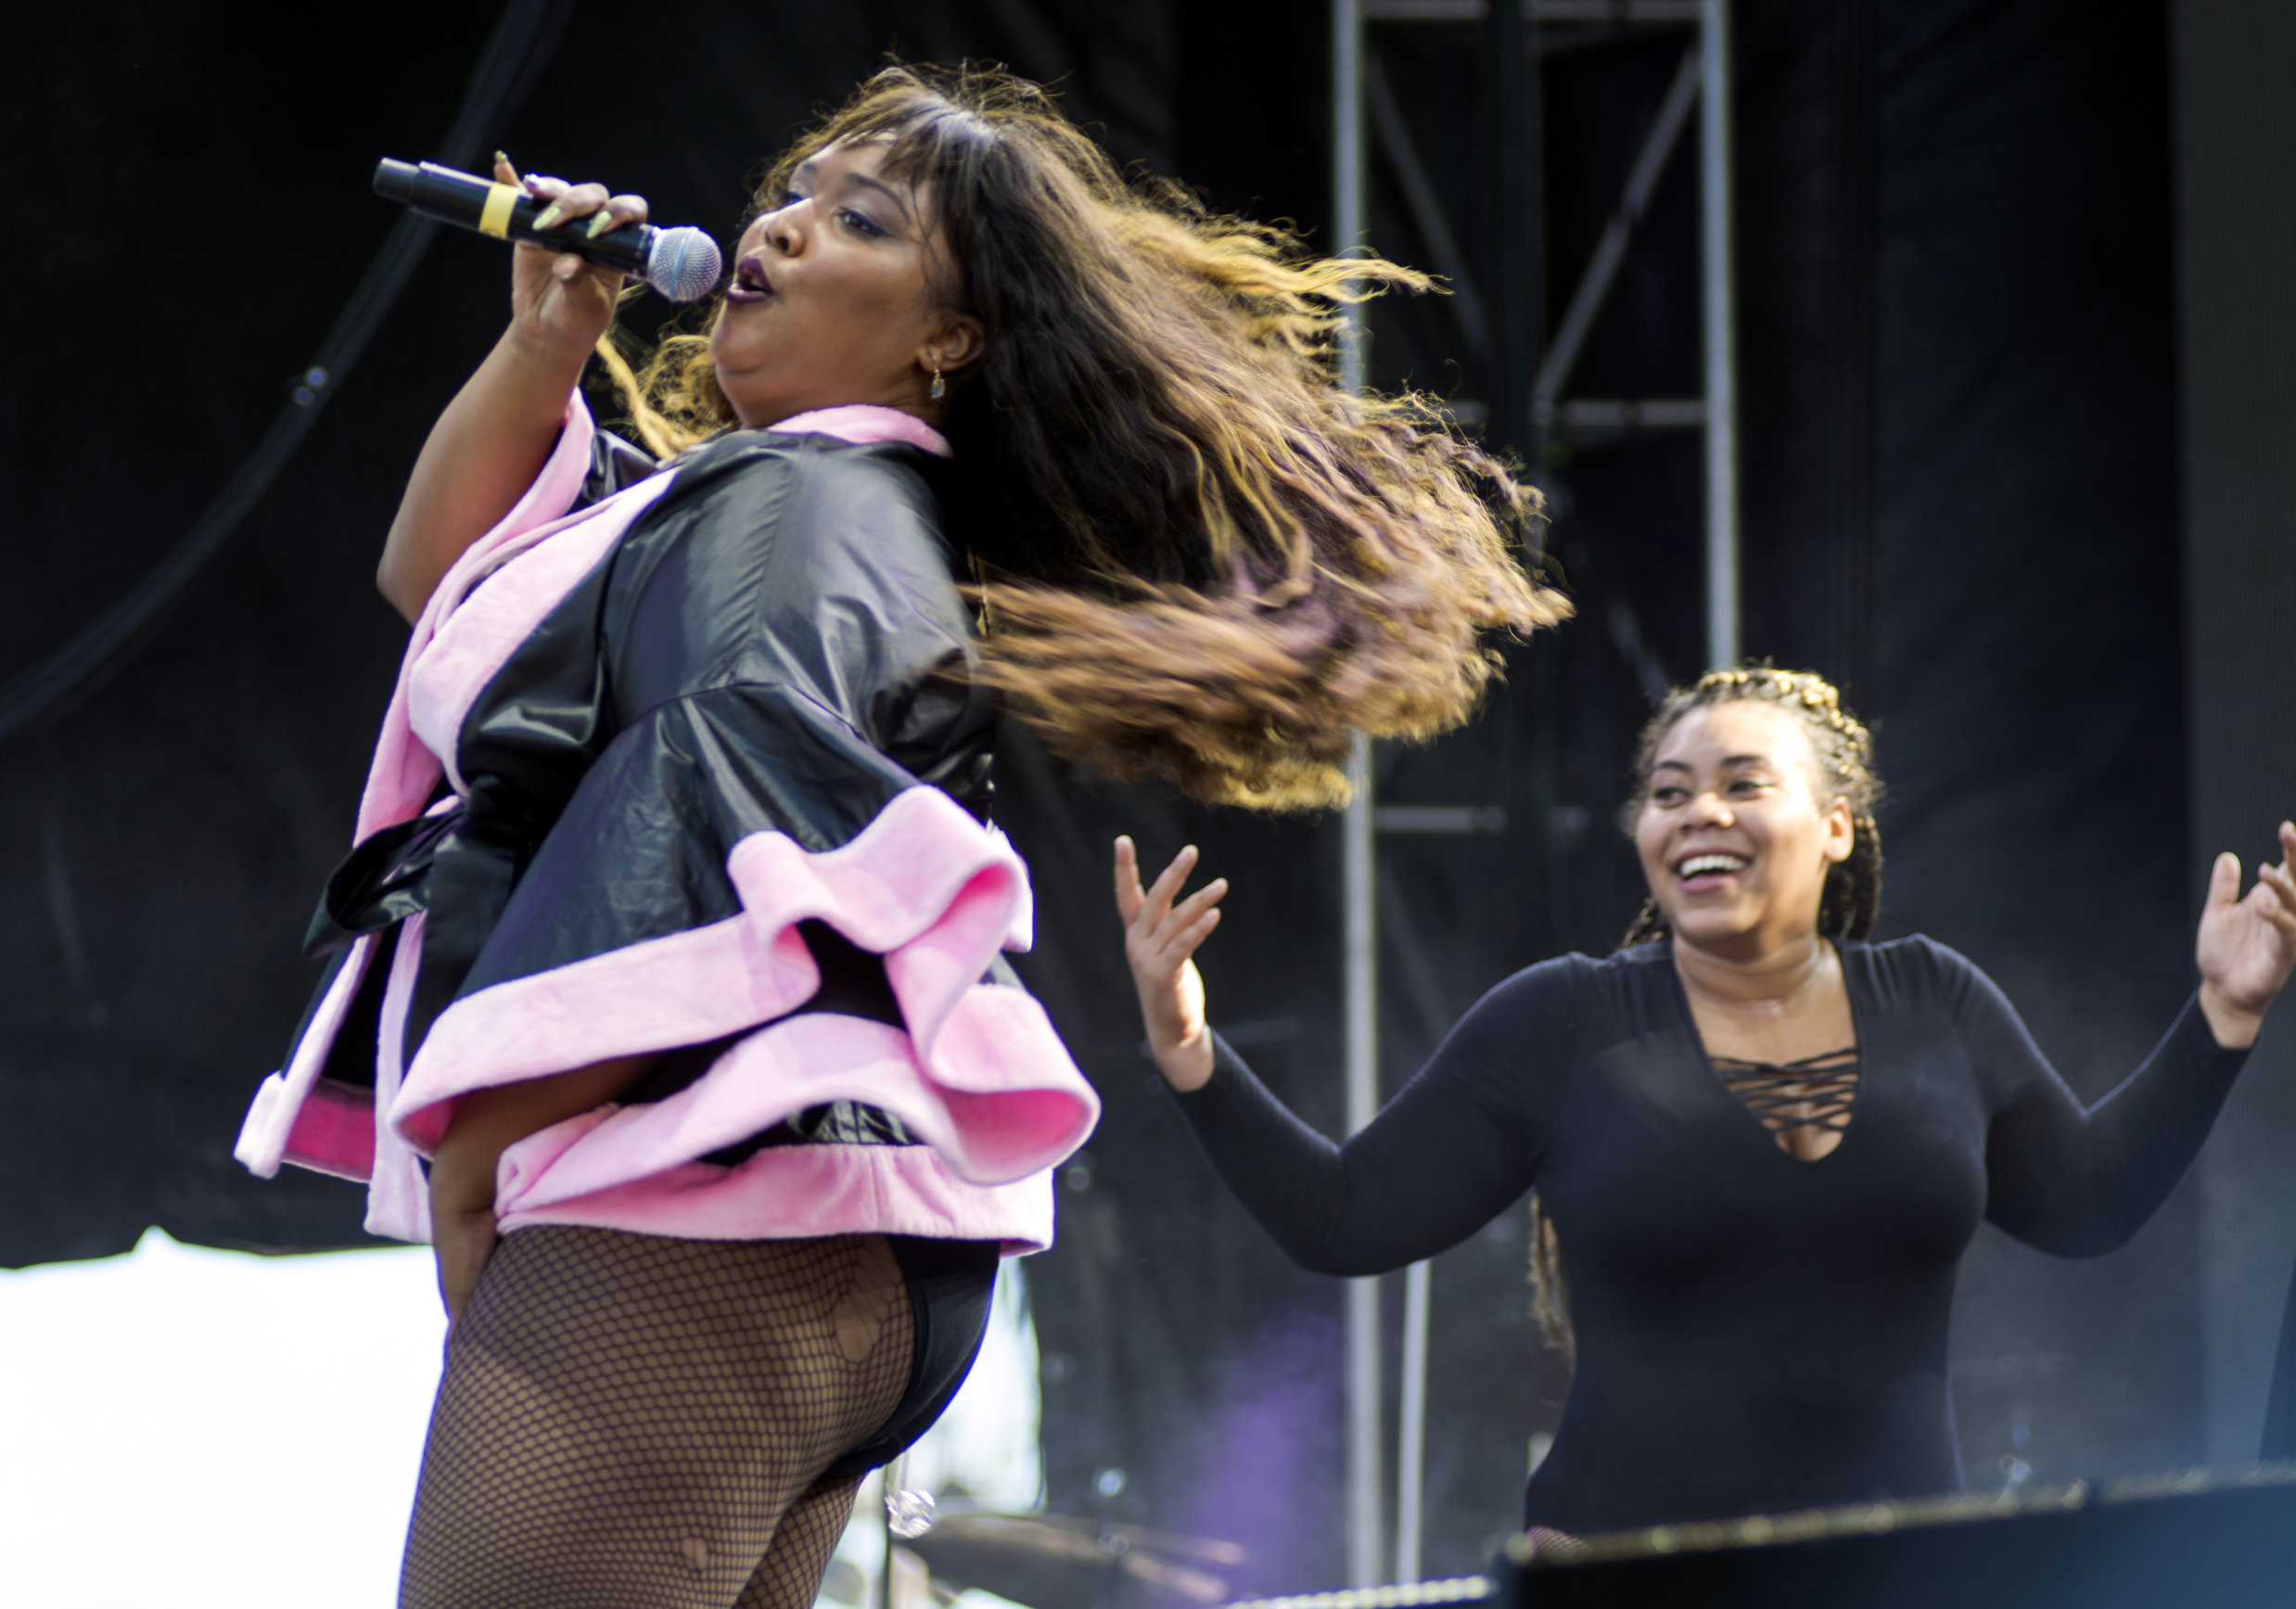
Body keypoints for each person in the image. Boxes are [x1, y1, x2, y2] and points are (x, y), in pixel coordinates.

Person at [233, 65, 1566, 1609]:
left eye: (855, 217)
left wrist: (481, 1146)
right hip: (846, 1244)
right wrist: (549, 339)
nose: (784, 227)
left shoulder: (799, 509)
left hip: (718, 1209)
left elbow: (711, 792)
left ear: (948, 339)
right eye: (791, 193)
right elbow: (446, 582)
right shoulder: (784, 505)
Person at [1117, 665, 2296, 1539]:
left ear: (1835, 827)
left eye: (1743, 783)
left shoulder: (1935, 999)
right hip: (1627, 1572)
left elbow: (2087, 1205)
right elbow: (1344, 1216)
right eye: (1669, 792)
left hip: (1896, 1574)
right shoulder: (1564, 1020)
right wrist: (1188, 1045)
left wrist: (2223, 1016)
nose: (1698, 813)